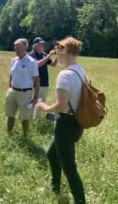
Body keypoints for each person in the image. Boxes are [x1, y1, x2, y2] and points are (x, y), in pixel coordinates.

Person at [35, 37, 86, 204]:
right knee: (51, 154)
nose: (56, 54)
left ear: (66, 52)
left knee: (70, 169)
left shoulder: (64, 75)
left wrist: (43, 107)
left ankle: (80, 201)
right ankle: (55, 186)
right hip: (77, 123)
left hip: (65, 125)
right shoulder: (81, 71)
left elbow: (60, 105)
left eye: (58, 51)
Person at [5, 38, 40, 137]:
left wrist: (36, 97)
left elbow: (37, 80)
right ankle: (9, 134)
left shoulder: (31, 62)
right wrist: (9, 88)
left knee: (25, 117)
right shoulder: (13, 60)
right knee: (10, 114)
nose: (16, 49)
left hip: (25, 94)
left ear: (25, 47)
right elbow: (11, 75)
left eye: (18, 47)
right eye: (15, 47)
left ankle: (25, 136)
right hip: (12, 91)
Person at [29, 37, 58, 118]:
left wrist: (57, 56)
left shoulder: (44, 54)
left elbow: (53, 64)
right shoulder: (31, 55)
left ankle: (37, 119)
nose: (42, 46)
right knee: (32, 102)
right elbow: (37, 64)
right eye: (40, 44)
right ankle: (29, 119)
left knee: (41, 103)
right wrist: (49, 55)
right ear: (34, 45)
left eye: (42, 44)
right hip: (34, 85)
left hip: (45, 83)